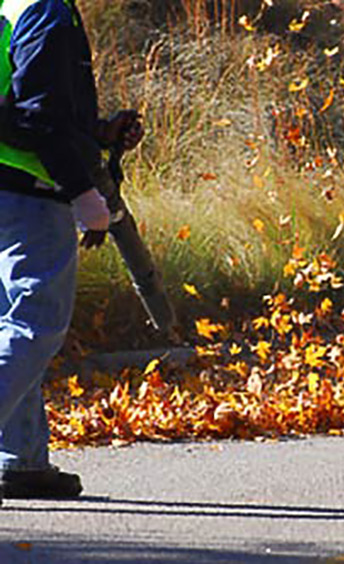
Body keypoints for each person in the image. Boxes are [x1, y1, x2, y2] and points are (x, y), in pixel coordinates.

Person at [0, 0, 143, 502]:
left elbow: (19, 108)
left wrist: (98, 132)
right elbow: (40, 120)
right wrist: (84, 193)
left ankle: (22, 461)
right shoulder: (47, 12)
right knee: (35, 326)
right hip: (29, 194)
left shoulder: (10, 8)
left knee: (9, 323)